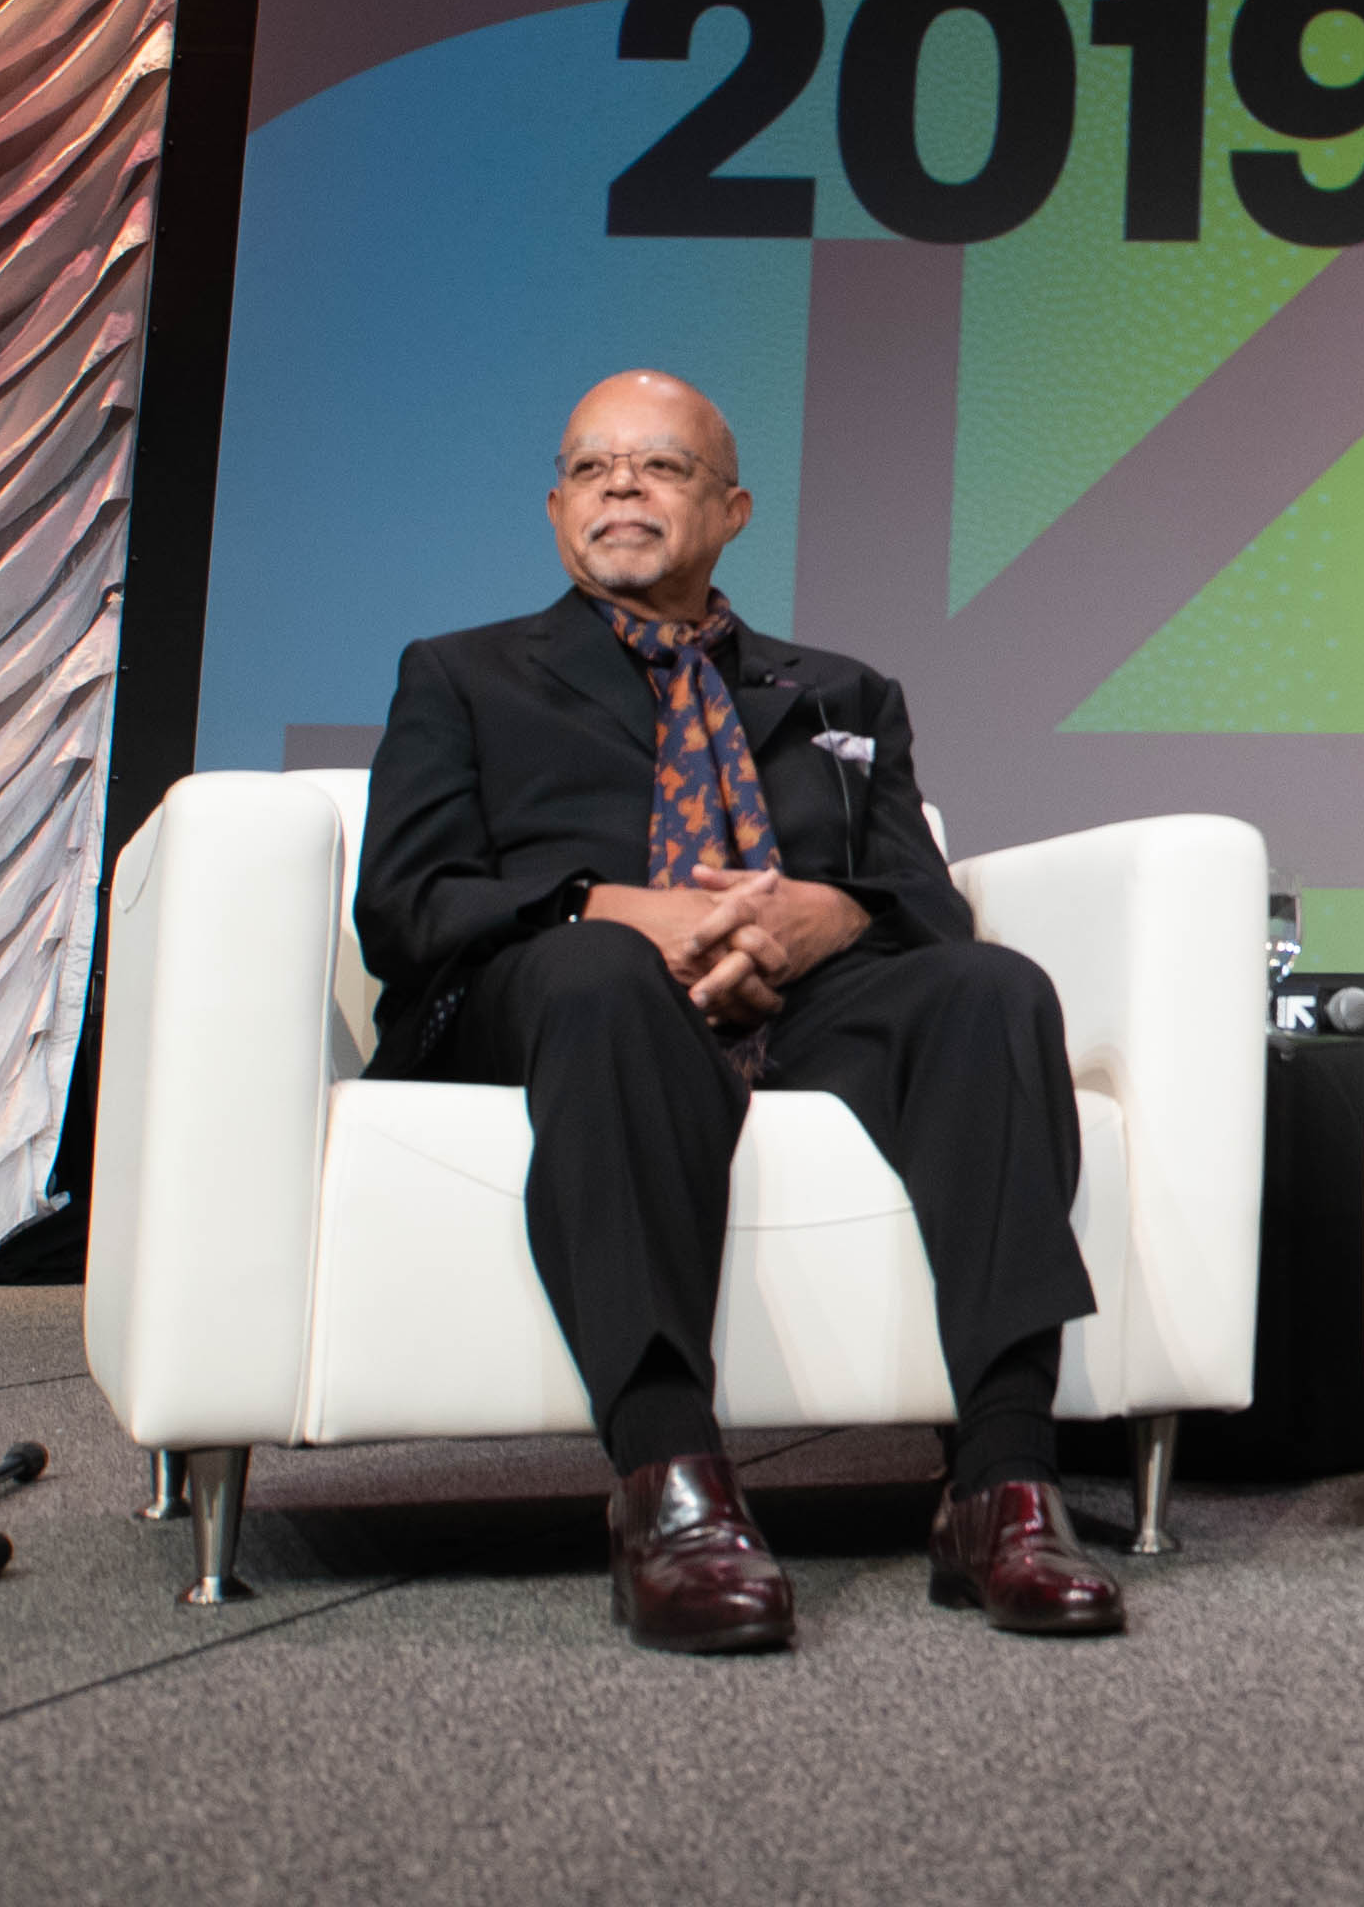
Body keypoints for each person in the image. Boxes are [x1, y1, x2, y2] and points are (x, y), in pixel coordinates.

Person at [353, 371, 1127, 1653]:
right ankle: (669, 1487)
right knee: (606, 978)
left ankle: (999, 1486)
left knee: (992, 989)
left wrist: (828, 913)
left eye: (657, 468)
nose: (620, 488)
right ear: (556, 510)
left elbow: (923, 906)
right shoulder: (463, 676)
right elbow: (409, 905)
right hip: (558, 988)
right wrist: (609, 905)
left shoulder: (842, 695)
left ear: (732, 508)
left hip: (806, 1001)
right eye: (592, 469)